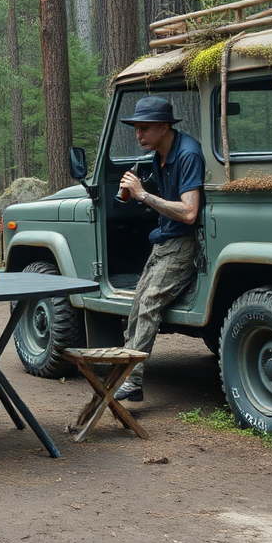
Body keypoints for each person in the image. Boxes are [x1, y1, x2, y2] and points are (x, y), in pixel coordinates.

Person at [113, 97, 204, 403]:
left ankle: (133, 378)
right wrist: (140, 193)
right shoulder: (157, 156)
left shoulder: (188, 154)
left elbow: (190, 213)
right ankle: (128, 375)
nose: (138, 135)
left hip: (184, 243)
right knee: (137, 303)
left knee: (150, 302)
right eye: (136, 128)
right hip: (164, 240)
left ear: (164, 127)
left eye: (145, 129)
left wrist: (143, 196)